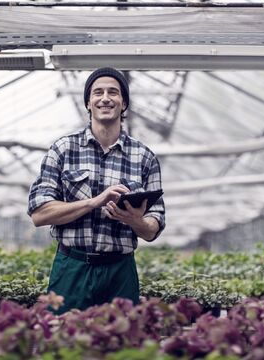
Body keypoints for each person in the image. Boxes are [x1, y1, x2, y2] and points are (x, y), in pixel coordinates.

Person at [27, 67, 165, 313]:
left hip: (120, 271)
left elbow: (153, 228)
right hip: (72, 266)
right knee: (64, 342)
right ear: (88, 103)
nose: (105, 98)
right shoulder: (63, 150)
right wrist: (94, 202)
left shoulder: (144, 157)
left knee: (123, 343)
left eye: (113, 92)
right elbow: (40, 214)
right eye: (97, 92)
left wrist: (136, 221)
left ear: (124, 104)